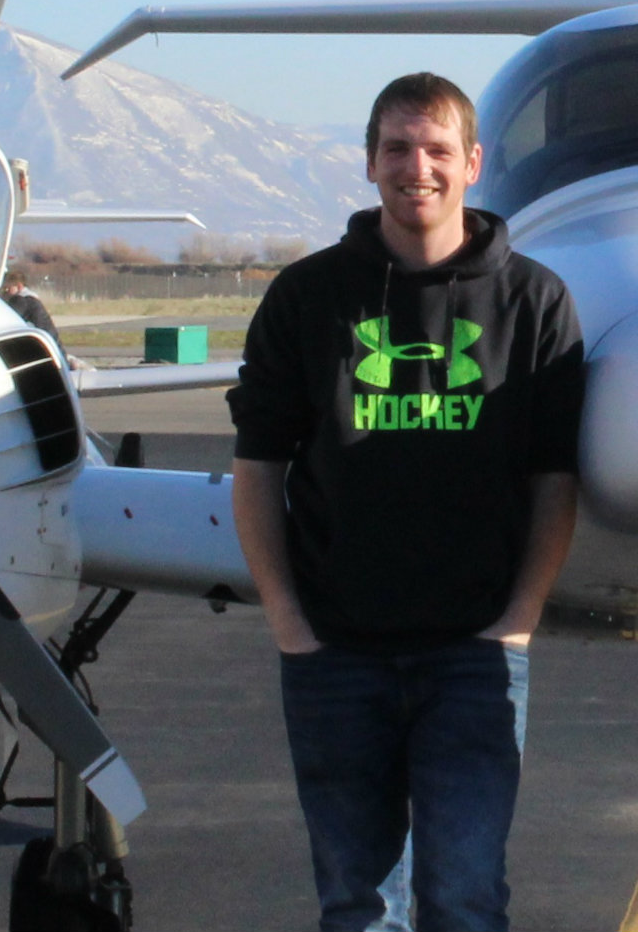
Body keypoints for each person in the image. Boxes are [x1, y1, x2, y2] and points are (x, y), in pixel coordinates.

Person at [228, 72, 584, 932]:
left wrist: (518, 621)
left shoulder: (534, 301)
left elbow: (553, 481)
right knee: (356, 906)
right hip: (334, 656)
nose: (414, 167)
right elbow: (257, 469)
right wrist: (289, 624)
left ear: (472, 163)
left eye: (435, 150)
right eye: (396, 148)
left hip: (472, 656)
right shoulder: (306, 298)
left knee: (465, 898)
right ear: (367, 163)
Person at [0, 269, 64, 348]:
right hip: (50, 341)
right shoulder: (31, 298)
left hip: (43, 344)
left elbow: (9, 320)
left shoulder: (22, 300)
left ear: (19, 286)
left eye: (8, 288)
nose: (5, 291)